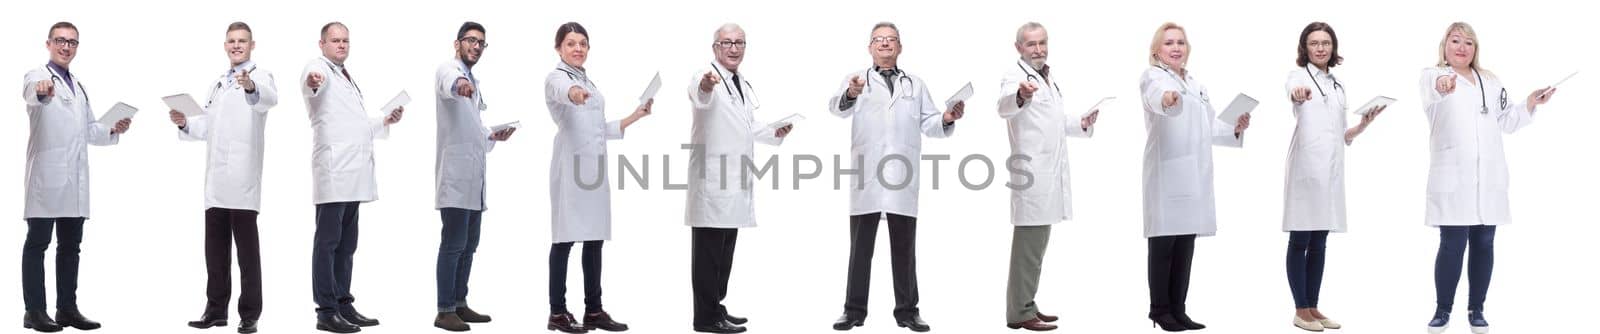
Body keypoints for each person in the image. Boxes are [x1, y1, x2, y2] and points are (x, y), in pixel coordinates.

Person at [826, 22, 964, 333]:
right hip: (868, 178)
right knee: (860, 250)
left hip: (902, 177)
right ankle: (853, 311)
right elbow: (837, 107)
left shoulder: (915, 84)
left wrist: (947, 117)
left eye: (891, 40)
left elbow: (929, 123)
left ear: (900, 47)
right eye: (879, 40)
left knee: (904, 249)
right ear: (870, 47)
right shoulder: (858, 81)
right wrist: (851, 92)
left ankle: (908, 312)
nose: (885, 44)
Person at [1419, 22, 1554, 334]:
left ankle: (1476, 308)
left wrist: (1531, 102)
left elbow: (1507, 121)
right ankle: (1443, 310)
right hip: (1453, 176)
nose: (1462, 47)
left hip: (1489, 175)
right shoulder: (1433, 75)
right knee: (1452, 244)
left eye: (1469, 42)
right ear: (1444, 45)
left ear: (1475, 49)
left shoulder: (1490, 81)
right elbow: (1436, 91)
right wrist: (1444, 85)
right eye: (1455, 41)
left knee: (1484, 242)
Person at [1137, 22, 1250, 332]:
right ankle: (1159, 311)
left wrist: (1236, 127)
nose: (1176, 47)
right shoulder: (1153, 77)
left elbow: (1211, 127)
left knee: (1186, 243)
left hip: (1194, 174)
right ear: (1156, 50)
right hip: (1168, 172)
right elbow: (1157, 98)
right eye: (1169, 42)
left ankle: (1179, 309)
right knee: (1164, 245)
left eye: (1181, 43)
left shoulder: (1197, 85)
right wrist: (1168, 99)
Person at [20, 21, 130, 333]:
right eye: (60, 41)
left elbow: (88, 130)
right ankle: (34, 311)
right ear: (49, 43)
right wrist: (41, 93)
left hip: (75, 181)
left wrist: (113, 128)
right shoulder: (38, 76)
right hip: (47, 178)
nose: (66, 47)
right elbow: (31, 94)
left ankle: (66, 308)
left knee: (71, 245)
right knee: (38, 243)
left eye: (72, 42)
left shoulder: (78, 85)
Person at [170, 21, 279, 334]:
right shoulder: (217, 83)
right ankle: (215, 310)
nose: (236, 46)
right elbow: (206, 127)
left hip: (243, 177)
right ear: (225, 45)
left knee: (247, 252)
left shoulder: (260, 76)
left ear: (252, 45)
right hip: (215, 180)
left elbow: (268, 98)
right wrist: (183, 123)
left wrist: (249, 86)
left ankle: (250, 314)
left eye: (242, 41)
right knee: (214, 250)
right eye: (231, 41)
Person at [543, 21, 651, 334]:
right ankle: (557, 312)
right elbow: (566, 93)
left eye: (583, 44)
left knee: (594, 240)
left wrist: (636, 115)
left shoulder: (587, 79)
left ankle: (594, 310)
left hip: (594, 170)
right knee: (564, 239)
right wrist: (574, 93)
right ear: (559, 48)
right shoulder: (557, 79)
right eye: (571, 43)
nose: (578, 49)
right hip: (570, 168)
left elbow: (598, 127)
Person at [684, 23, 793, 334]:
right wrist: (706, 84)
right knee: (707, 253)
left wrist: (775, 131)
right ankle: (705, 318)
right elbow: (699, 95)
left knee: (724, 251)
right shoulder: (704, 75)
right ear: (715, 47)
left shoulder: (738, 81)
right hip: (712, 182)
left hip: (734, 182)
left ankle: (716, 307)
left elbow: (746, 125)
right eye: (727, 42)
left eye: (740, 43)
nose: (734, 48)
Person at [1279, 21, 1383, 333]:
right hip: (1306, 169)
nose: (1321, 48)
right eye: (1314, 43)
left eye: (1326, 42)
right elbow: (1293, 94)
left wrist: (1362, 125)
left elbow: (1341, 133)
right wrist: (1297, 94)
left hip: (1332, 170)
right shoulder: (1297, 77)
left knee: (1321, 240)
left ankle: (1313, 306)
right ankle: (1300, 310)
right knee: (1301, 238)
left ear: (1332, 47)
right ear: (1305, 48)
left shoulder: (1338, 84)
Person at [995, 22, 1098, 332]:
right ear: (1019, 48)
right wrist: (1021, 95)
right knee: (1028, 246)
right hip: (1033, 175)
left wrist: (1080, 122)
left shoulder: (1046, 77)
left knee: (1037, 247)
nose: (1038, 49)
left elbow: (1052, 121)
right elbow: (1003, 106)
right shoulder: (1015, 77)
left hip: (1049, 174)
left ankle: (1028, 304)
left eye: (1042, 43)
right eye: (1031, 44)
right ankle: (1019, 312)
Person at [300, 21, 403, 334]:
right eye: (335, 40)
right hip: (334, 172)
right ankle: (326, 311)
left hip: (353, 174)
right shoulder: (317, 68)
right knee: (328, 243)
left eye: (345, 40)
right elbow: (311, 85)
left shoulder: (345, 75)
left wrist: (384, 120)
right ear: (322, 44)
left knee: (347, 245)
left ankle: (344, 303)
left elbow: (354, 124)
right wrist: (313, 81)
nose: (341, 45)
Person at [432, 21, 514, 332]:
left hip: (474, 179)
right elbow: (450, 85)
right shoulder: (449, 70)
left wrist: (494, 135)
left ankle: (460, 303)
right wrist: (460, 86)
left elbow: (474, 130)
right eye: (470, 41)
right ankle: (444, 310)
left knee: (469, 245)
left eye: (481, 42)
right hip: (455, 178)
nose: (476, 46)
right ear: (457, 44)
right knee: (453, 244)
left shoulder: (473, 79)